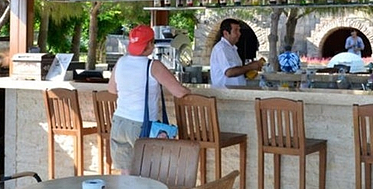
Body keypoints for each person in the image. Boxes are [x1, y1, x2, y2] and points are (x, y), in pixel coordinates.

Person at [108, 24, 191, 174]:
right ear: (150, 44)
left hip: (119, 122)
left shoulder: (121, 62)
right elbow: (179, 92)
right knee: (146, 173)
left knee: (126, 173)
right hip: (141, 124)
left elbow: (112, 89)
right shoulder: (153, 66)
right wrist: (189, 91)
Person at [210, 18, 264, 87]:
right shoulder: (221, 49)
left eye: (239, 30)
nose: (239, 34)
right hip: (225, 92)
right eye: (236, 31)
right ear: (226, 33)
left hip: (234, 91)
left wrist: (250, 70)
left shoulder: (232, 48)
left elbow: (235, 70)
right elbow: (229, 72)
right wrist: (250, 67)